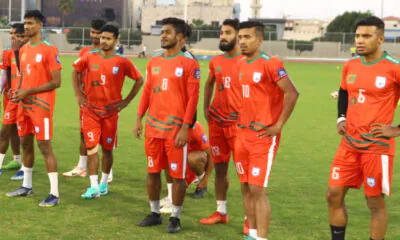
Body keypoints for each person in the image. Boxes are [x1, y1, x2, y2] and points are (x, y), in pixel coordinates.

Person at [326, 16, 400, 240]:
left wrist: (397, 129)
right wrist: (341, 118)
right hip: (349, 143)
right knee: (333, 195)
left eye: (366, 36)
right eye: (357, 36)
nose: (359, 40)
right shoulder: (350, 65)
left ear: (380, 39)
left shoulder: (393, 68)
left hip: (376, 148)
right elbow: (344, 91)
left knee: (374, 202)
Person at [134, 17, 200, 233]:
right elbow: (146, 92)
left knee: (177, 175)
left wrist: (185, 128)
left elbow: (193, 99)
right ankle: (154, 213)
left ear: (181, 37)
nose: (163, 35)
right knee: (152, 171)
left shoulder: (189, 63)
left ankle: (175, 217)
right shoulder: (153, 62)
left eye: (168, 32)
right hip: (153, 128)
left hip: (175, 131)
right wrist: (138, 117)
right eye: (162, 32)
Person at [236, 21, 299, 240]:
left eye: (248, 37)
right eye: (240, 37)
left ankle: (261, 237)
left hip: (262, 137)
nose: (242, 41)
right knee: (245, 188)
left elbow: (292, 93)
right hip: (241, 135)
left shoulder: (271, 63)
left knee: (257, 189)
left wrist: (279, 124)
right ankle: (251, 234)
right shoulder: (241, 63)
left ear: (260, 39)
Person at [72, 25, 143, 199]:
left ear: (116, 40)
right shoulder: (89, 57)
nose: (103, 41)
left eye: (108, 38)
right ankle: (93, 187)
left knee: (107, 150)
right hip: (91, 111)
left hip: (111, 114)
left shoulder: (122, 61)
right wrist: (78, 95)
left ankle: (104, 183)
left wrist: (126, 101)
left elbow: (139, 80)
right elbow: (75, 71)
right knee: (91, 148)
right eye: (102, 37)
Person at [6, 10, 63, 208]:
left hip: (41, 107)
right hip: (24, 105)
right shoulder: (24, 50)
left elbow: (56, 82)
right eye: (25, 23)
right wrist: (17, 92)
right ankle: (26, 185)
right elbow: (22, 76)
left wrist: (28, 91)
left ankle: (54, 193)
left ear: (40, 25)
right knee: (25, 144)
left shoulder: (49, 49)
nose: (27, 27)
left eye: (30, 23)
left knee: (44, 147)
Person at [200, 18, 243, 226]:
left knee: (245, 176)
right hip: (217, 123)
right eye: (221, 33)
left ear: (238, 35)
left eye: (227, 32)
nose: (223, 36)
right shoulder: (216, 62)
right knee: (220, 169)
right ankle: (221, 211)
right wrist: (206, 107)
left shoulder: (247, 61)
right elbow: (209, 84)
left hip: (239, 126)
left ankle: (249, 219)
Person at [63, 19, 106, 179]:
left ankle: (107, 173)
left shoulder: (107, 53)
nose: (94, 35)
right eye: (92, 32)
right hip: (86, 102)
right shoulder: (85, 52)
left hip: (104, 103)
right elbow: (77, 72)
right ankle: (82, 166)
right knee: (83, 134)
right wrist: (79, 92)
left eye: (98, 33)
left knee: (106, 139)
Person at [160, 121, 213, 214]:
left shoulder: (197, 128)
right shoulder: (173, 124)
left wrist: (205, 179)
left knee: (193, 158)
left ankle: (200, 181)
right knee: (167, 158)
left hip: (193, 161)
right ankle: (170, 197)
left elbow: (210, 154)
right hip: (182, 162)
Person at [0, 23, 28, 179]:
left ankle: (25, 167)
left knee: (25, 133)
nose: (13, 37)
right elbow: (6, 75)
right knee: (6, 131)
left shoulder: (29, 53)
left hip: (27, 98)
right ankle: (15, 161)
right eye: (11, 33)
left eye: (16, 34)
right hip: (12, 98)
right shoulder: (8, 53)